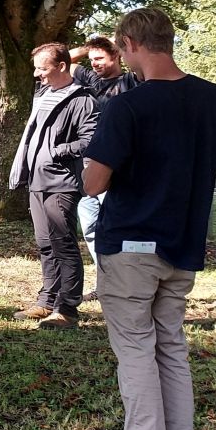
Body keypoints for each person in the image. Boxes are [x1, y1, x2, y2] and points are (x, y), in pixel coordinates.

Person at [80, 9, 216, 430]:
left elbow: (94, 182)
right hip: (183, 241)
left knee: (135, 350)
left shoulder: (128, 105)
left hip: (131, 241)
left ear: (130, 44)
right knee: (171, 347)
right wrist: (187, 160)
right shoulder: (214, 98)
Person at [8, 43, 97, 328]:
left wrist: (56, 151)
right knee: (45, 243)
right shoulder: (44, 92)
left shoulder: (83, 99)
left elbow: (90, 141)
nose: (37, 74)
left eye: (42, 68)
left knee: (63, 244)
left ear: (62, 67)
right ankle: (46, 301)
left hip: (62, 183)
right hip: (36, 179)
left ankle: (68, 309)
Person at [72, 35, 140, 265]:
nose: (94, 63)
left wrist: (117, 42)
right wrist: (90, 47)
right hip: (89, 162)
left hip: (118, 165)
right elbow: (62, 60)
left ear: (117, 56)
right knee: (89, 225)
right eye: (91, 59)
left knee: (118, 222)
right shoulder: (91, 80)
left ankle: (125, 273)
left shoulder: (132, 81)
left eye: (100, 58)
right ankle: (104, 277)